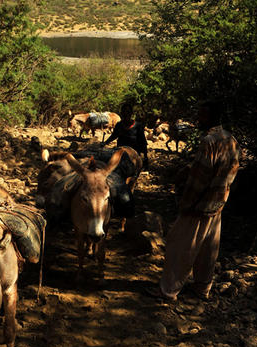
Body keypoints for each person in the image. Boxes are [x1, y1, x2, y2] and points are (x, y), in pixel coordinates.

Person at [156, 100, 240, 301]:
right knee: (207, 250)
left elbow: (199, 178)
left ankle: (168, 290)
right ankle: (202, 289)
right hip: (218, 203)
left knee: (179, 246)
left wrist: (186, 202)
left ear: (212, 117)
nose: (198, 119)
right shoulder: (231, 139)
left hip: (200, 205)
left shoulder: (209, 141)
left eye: (202, 115)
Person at [102, 103, 148, 168]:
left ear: (131, 113)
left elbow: (143, 141)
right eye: (124, 112)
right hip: (120, 152)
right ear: (121, 113)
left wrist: (145, 157)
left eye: (128, 112)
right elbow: (114, 136)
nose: (126, 114)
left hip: (134, 153)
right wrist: (104, 143)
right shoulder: (119, 125)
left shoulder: (138, 126)